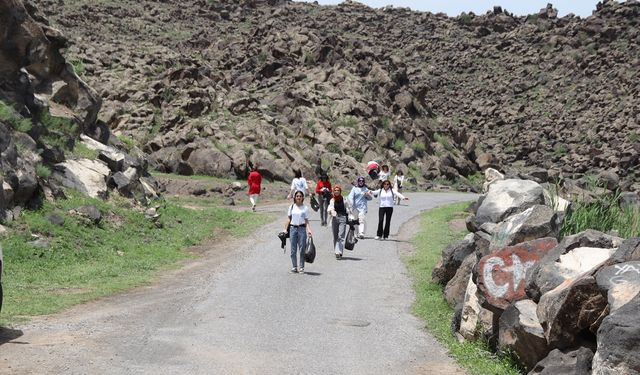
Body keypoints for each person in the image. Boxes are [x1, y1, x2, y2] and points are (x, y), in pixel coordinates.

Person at [282, 191, 313, 273]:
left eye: (300, 196)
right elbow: (289, 219)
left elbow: (306, 220)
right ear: (294, 197)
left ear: (302, 198)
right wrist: (285, 229)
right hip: (293, 229)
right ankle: (294, 267)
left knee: (302, 248)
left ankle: (301, 267)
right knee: (293, 249)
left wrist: (309, 230)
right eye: (297, 196)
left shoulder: (305, 208)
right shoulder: (292, 207)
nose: (298, 197)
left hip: (302, 229)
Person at [327, 185, 352, 259]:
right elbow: (330, 208)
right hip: (334, 219)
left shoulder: (344, 199)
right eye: (335, 190)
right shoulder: (332, 200)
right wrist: (332, 211)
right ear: (333, 191)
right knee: (335, 236)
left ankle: (339, 252)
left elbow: (348, 207)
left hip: (342, 218)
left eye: (338, 190)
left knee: (341, 236)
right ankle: (336, 251)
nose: (336, 191)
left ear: (340, 191)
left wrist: (350, 216)